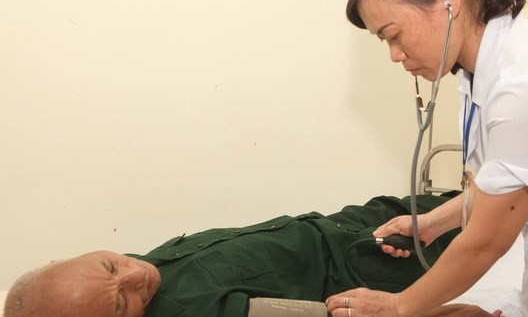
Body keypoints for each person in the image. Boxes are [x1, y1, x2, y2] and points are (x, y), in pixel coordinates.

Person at [325, 0, 528, 317]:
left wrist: (397, 306)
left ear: (449, 0)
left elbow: (486, 242)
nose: (394, 54)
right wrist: (435, 222)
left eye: (393, 34)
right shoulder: (478, 74)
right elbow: (503, 184)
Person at [3, 194, 500, 317]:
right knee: (512, 210)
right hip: (372, 261)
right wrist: (438, 312)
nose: (136, 277)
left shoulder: (121, 272)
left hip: (350, 222)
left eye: (112, 265)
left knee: (496, 192)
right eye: (121, 304)